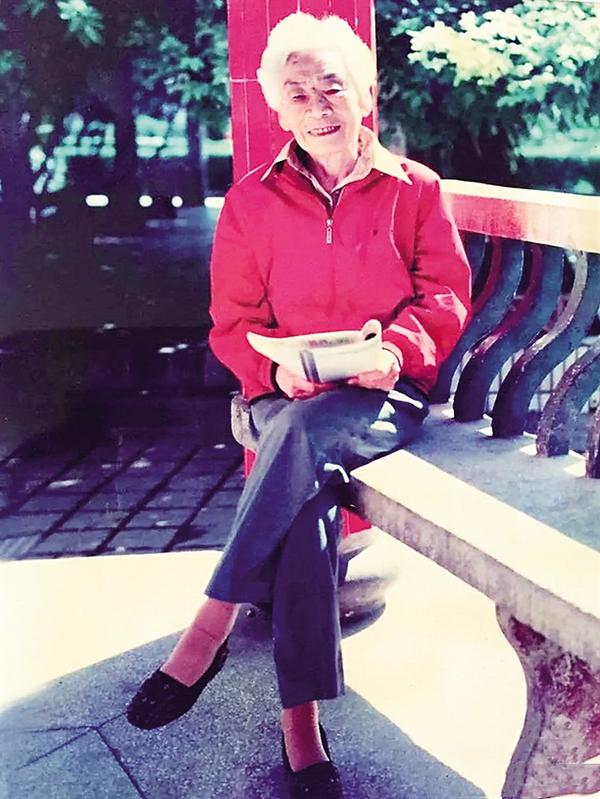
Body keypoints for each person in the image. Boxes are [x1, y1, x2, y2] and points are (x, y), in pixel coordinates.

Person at [126, 12, 471, 798]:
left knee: (305, 453)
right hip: (283, 397)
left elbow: (445, 296)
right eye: (297, 93)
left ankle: (214, 631)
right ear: (277, 109)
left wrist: (394, 351)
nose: (318, 105)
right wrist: (277, 373)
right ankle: (299, 726)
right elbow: (232, 323)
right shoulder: (249, 203)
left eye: (332, 87)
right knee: (306, 478)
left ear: (366, 95)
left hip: (380, 396)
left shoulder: (415, 190)